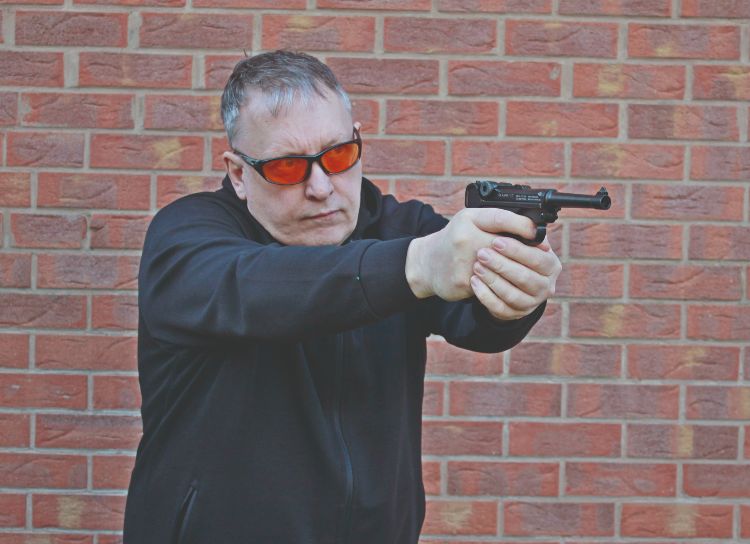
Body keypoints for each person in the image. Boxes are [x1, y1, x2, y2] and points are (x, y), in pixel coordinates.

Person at [123, 50, 561, 544]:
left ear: (358, 142)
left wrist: (514, 290)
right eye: (288, 167)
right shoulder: (188, 237)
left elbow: (477, 321)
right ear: (239, 174)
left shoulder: (403, 229)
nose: (320, 186)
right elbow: (255, 288)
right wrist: (414, 266)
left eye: (337, 156)